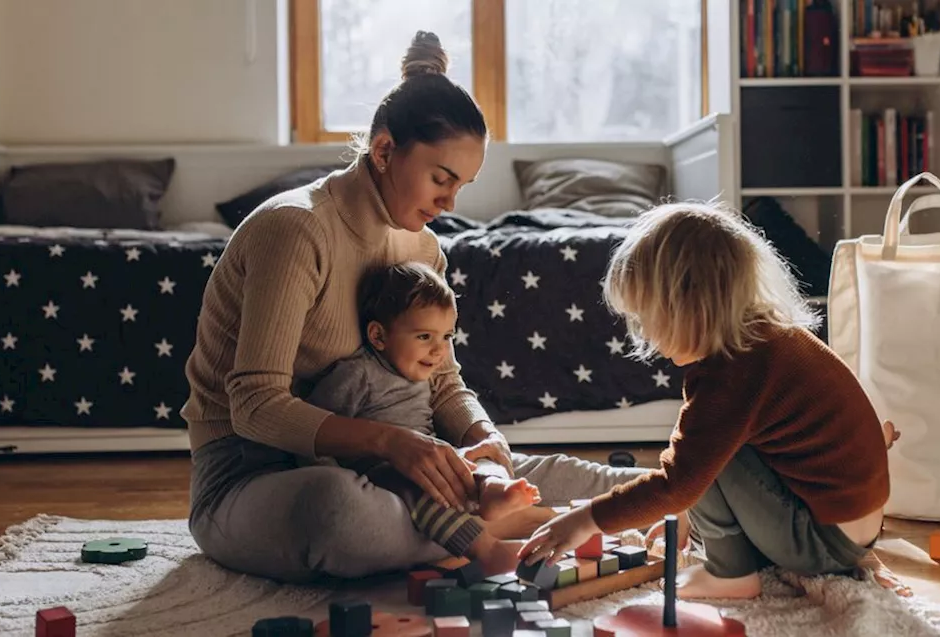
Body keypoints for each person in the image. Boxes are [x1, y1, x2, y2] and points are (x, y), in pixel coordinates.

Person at [182, 31, 645, 584]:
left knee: (527, 470)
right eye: (441, 179)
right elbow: (255, 406)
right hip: (258, 475)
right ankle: (550, 526)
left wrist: (481, 437)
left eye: (463, 185)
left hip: (390, 467)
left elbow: (442, 383)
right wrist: (392, 443)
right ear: (382, 152)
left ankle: (626, 507)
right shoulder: (296, 229)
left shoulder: (424, 247)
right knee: (339, 511)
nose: (451, 203)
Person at [517, 201, 893, 600]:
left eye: (649, 318)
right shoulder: (766, 339)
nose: (647, 337)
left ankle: (730, 574)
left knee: (703, 455)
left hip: (822, 542)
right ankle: (740, 553)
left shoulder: (731, 372)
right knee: (712, 446)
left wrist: (585, 520)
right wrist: (685, 517)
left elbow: (680, 482)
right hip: (849, 529)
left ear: (690, 306)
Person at [305, 261, 542, 573]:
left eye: (446, 336)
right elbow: (316, 428)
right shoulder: (357, 374)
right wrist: (334, 476)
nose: (438, 351)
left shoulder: (423, 373)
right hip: (384, 470)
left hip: (433, 455)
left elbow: (449, 406)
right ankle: (484, 549)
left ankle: (494, 489)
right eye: (424, 337)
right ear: (378, 336)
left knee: (481, 456)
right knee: (425, 493)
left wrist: (473, 456)